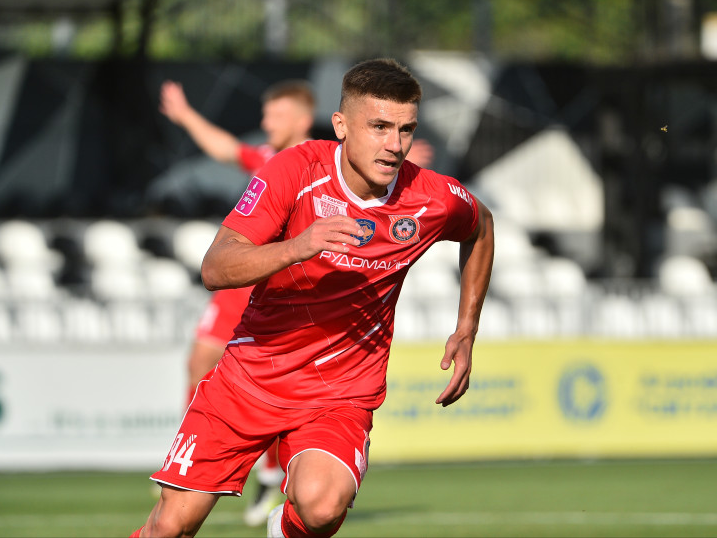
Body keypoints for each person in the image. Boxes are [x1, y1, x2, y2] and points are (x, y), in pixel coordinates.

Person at [132, 57, 493, 538]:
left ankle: (282, 527)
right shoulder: (294, 170)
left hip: (340, 393)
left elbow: (481, 226)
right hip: (251, 378)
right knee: (170, 527)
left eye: (405, 129)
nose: (394, 144)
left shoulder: (432, 197)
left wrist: (466, 329)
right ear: (340, 125)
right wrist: (299, 246)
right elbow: (215, 268)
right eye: (379, 127)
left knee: (322, 507)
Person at [159, 78, 317, 525]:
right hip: (241, 281)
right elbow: (226, 147)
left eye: (277, 115)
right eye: (266, 114)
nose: (267, 122)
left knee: (272, 387)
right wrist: (186, 115)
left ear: (302, 119)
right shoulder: (267, 157)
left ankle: (270, 473)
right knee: (198, 363)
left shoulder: (322, 161)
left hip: (281, 290)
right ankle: (188, 459)